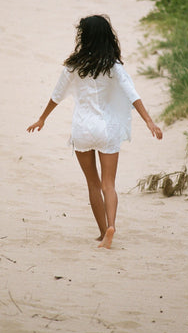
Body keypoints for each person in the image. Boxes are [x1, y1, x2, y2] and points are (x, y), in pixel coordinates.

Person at [27, 14, 163, 249]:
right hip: (107, 129)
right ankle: (111, 225)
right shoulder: (113, 65)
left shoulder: (73, 65)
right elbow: (132, 93)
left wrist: (42, 118)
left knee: (93, 184)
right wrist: (149, 121)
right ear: (107, 36)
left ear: (84, 37)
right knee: (108, 184)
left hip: (83, 128)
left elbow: (57, 95)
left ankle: (102, 234)